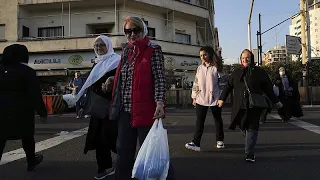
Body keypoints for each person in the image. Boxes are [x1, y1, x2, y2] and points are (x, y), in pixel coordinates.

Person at [109, 16, 174, 180]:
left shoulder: (153, 49)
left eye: (135, 30)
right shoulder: (125, 51)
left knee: (152, 151)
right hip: (125, 111)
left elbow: (159, 78)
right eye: (128, 31)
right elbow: (123, 79)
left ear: (143, 30)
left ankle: (163, 176)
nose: (131, 34)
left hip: (146, 111)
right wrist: (111, 82)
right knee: (123, 152)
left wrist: (160, 102)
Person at [218, 49, 283, 162]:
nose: (245, 59)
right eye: (243, 58)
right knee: (243, 126)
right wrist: (222, 98)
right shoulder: (236, 72)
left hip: (254, 106)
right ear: (240, 59)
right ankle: (250, 142)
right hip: (240, 106)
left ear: (252, 58)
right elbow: (228, 86)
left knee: (252, 127)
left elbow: (268, 88)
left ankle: (249, 153)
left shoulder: (259, 72)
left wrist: (276, 101)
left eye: (247, 57)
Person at [75, 35, 120, 180]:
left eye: (102, 45)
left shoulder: (116, 61)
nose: (99, 48)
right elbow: (90, 87)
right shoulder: (97, 64)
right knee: (99, 139)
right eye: (96, 46)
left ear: (109, 46)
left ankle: (126, 164)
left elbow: (123, 83)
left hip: (112, 108)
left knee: (115, 139)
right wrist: (83, 105)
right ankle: (104, 167)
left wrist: (111, 83)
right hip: (97, 109)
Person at [0, 44, 47, 171]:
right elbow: (35, 94)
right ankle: (31, 160)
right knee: (27, 136)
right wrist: (42, 112)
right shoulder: (27, 71)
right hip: (21, 110)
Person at [185, 46, 225, 152]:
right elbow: (196, 83)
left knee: (218, 120)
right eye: (201, 56)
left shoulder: (217, 67)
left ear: (210, 54)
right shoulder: (199, 68)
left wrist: (221, 98)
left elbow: (223, 84)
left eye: (204, 55)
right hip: (201, 99)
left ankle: (220, 140)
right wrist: (194, 97)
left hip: (215, 99)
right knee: (199, 122)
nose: (202, 57)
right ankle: (196, 143)